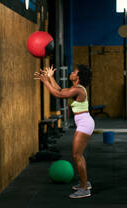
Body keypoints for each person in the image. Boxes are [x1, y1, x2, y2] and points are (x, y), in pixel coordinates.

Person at [34, 64, 95, 199]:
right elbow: (60, 90)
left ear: (78, 77)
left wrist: (45, 82)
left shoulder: (78, 90)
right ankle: (85, 183)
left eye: (74, 72)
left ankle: (84, 189)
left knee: (76, 155)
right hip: (83, 122)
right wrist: (50, 78)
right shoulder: (76, 88)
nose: (71, 73)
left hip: (85, 123)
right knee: (79, 155)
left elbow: (57, 94)